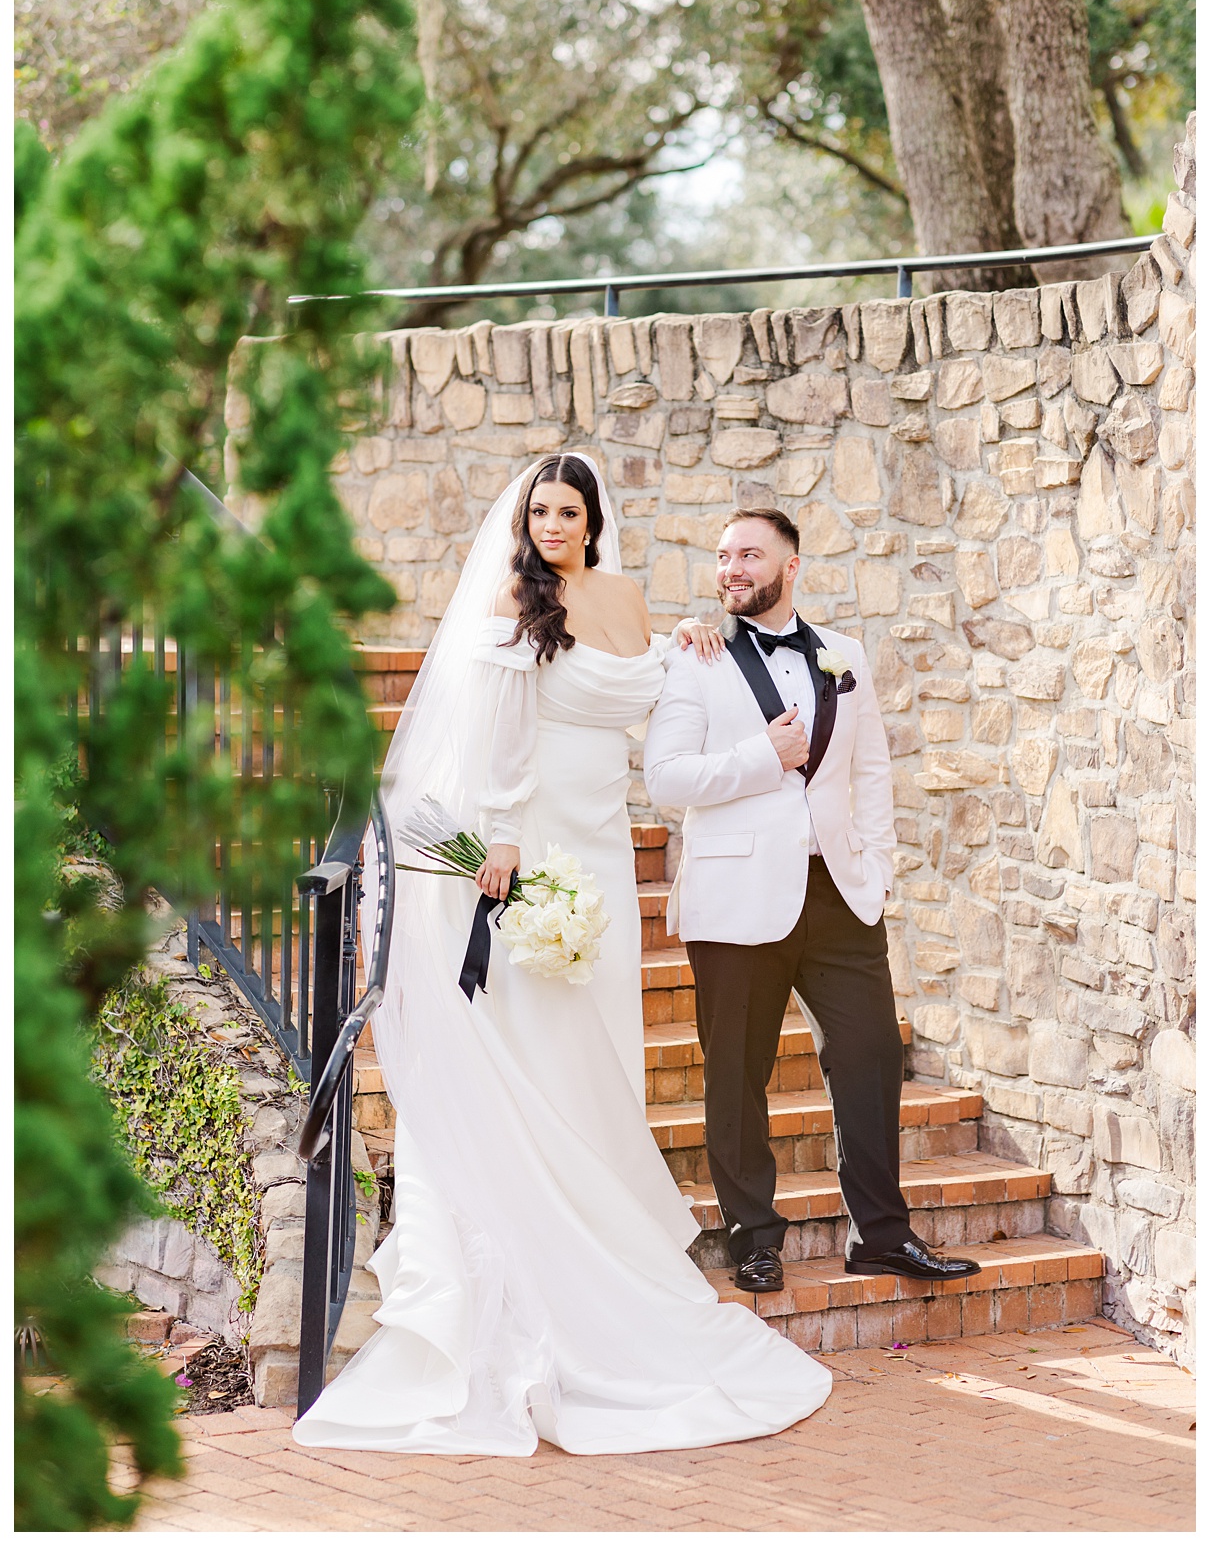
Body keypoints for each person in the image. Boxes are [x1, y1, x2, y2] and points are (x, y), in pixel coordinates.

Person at [293, 456, 831, 1456]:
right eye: (538, 509)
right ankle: (533, 1251)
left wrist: (686, 638)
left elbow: (643, 697)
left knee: (595, 1046)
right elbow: (498, 724)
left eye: (566, 511)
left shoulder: (622, 596)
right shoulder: (513, 595)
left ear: (593, 521)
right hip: (533, 838)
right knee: (535, 1041)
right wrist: (497, 836)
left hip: (602, 848)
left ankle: (602, 1224)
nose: (549, 524)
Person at [644, 507, 981, 1294]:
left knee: (867, 1060)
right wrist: (762, 756)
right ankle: (752, 1237)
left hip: (840, 895)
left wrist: (878, 868)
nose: (731, 569)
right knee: (737, 1074)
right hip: (737, 896)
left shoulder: (844, 654)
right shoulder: (694, 658)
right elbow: (666, 779)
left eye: (749, 555)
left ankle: (882, 1236)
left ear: (791, 566)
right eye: (723, 555)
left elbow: (870, 775)